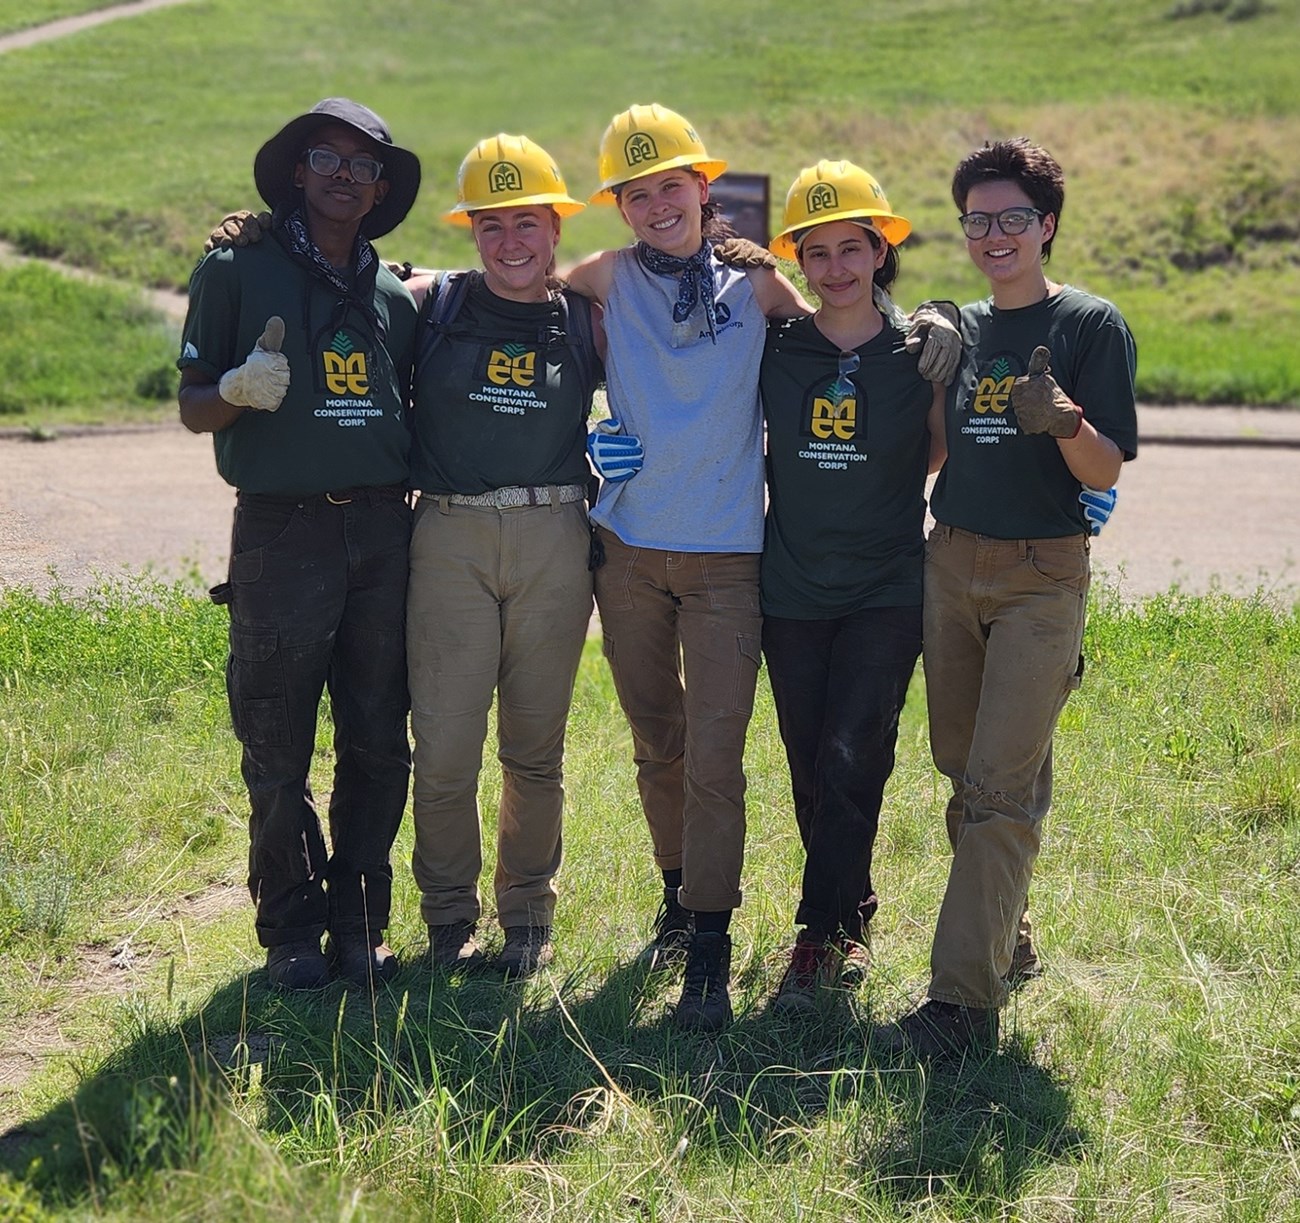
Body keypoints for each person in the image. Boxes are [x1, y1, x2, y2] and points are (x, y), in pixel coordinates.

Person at [879, 137, 1138, 1058]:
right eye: (978, 220)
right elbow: (938, 449)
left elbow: (1107, 466)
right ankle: (1009, 934)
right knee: (967, 765)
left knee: (994, 787)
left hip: (1041, 573)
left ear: (1047, 226)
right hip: (950, 562)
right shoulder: (966, 327)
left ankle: (959, 1005)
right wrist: (921, 331)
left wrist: (1065, 420)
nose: (994, 235)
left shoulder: (1090, 324)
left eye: (1013, 219)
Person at [566, 103, 813, 1031]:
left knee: (716, 756)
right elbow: (502, 284)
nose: (657, 204)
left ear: (704, 189)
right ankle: (676, 895)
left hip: (724, 560)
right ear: (620, 207)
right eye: (638, 193)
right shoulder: (603, 278)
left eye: (673, 185)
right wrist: (588, 437)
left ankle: (709, 941)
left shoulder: (757, 288)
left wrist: (937, 318)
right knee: (654, 741)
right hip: (626, 553)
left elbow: (849, 319)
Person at [177, 98, 421, 990]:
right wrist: (237, 389)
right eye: (328, 158)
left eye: (364, 166)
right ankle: (288, 924)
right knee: (276, 744)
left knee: (377, 739)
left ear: (382, 188)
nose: (345, 176)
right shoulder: (236, 268)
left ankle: (361, 921)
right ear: (297, 170)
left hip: (384, 530)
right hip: (283, 531)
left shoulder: (392, 293)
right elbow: (194, 402)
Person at [403, 135, 603, 979]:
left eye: (528, 221)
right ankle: (450, 917)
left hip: (555, 533)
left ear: (557, 228)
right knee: (445, 747)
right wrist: (258, 240)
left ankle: (527, 917)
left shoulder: (588, 317)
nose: (511, 242)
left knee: (534, 747)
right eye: (491, 224)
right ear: (471, 233)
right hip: (449, 535)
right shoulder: (431, 303)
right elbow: (335, 288)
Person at [757, 161, 946, 1015]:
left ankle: (819, 933)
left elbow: (937, 449)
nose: (833, 267)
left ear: (881, 249)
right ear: (798, 258)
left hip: (884, 587)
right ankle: (852, 907)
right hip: (791, 584)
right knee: (809, 761)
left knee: (854, 749)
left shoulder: (919, 351)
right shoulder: (780, 345)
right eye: (815, 251)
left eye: (851, 249)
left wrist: (944, 319)